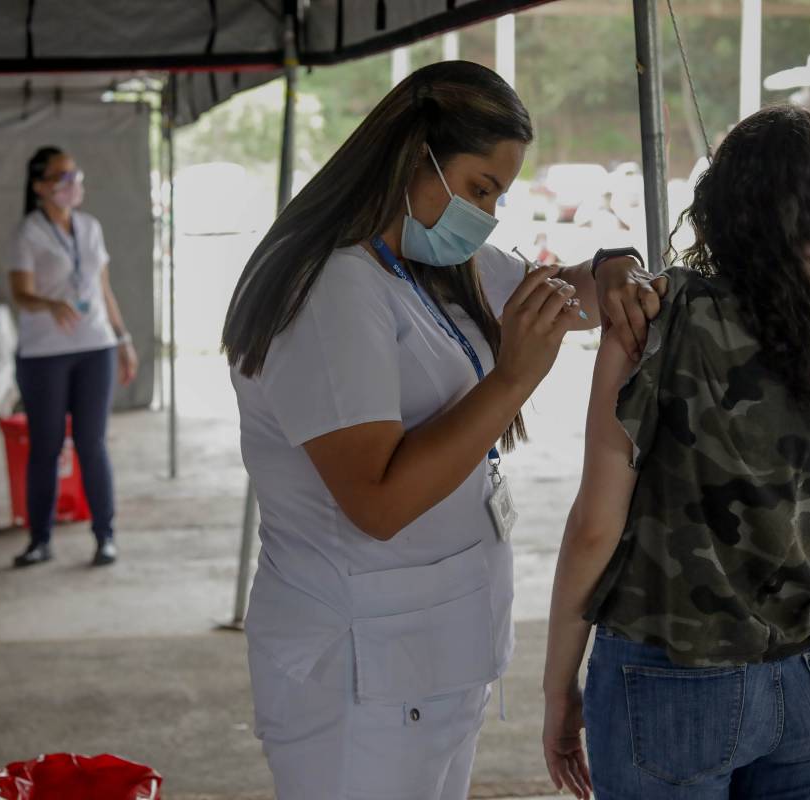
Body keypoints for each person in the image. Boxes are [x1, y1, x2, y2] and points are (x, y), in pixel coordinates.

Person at [223, 60, 666, 800]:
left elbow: (568, 293)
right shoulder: (331, 290)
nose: (486, 217)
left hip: (428, 657)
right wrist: (513, 379)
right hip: (360, 674)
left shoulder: (429, 261)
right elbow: (378, 503)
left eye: (497, 197)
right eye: (479, 189)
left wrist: (618, 266)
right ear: (412, 153)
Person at [541, 105, 810, 800]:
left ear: (716, 207)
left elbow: (594, 527)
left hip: (670, 685)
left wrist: (558, 689)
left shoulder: (654, 321)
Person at [8, 147, 138, 568]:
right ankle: (40, 539)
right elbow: (20, 293)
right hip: (45, 352)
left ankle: (105, 535)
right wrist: (49, 304)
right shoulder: (29, 232)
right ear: (40, 186)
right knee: (46, 447)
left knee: (92, 443)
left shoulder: (90, 227)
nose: (72, 183)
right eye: (61, 177)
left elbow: (104, 289)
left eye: (74, 174)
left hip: (95, 346)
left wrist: (123, 339)